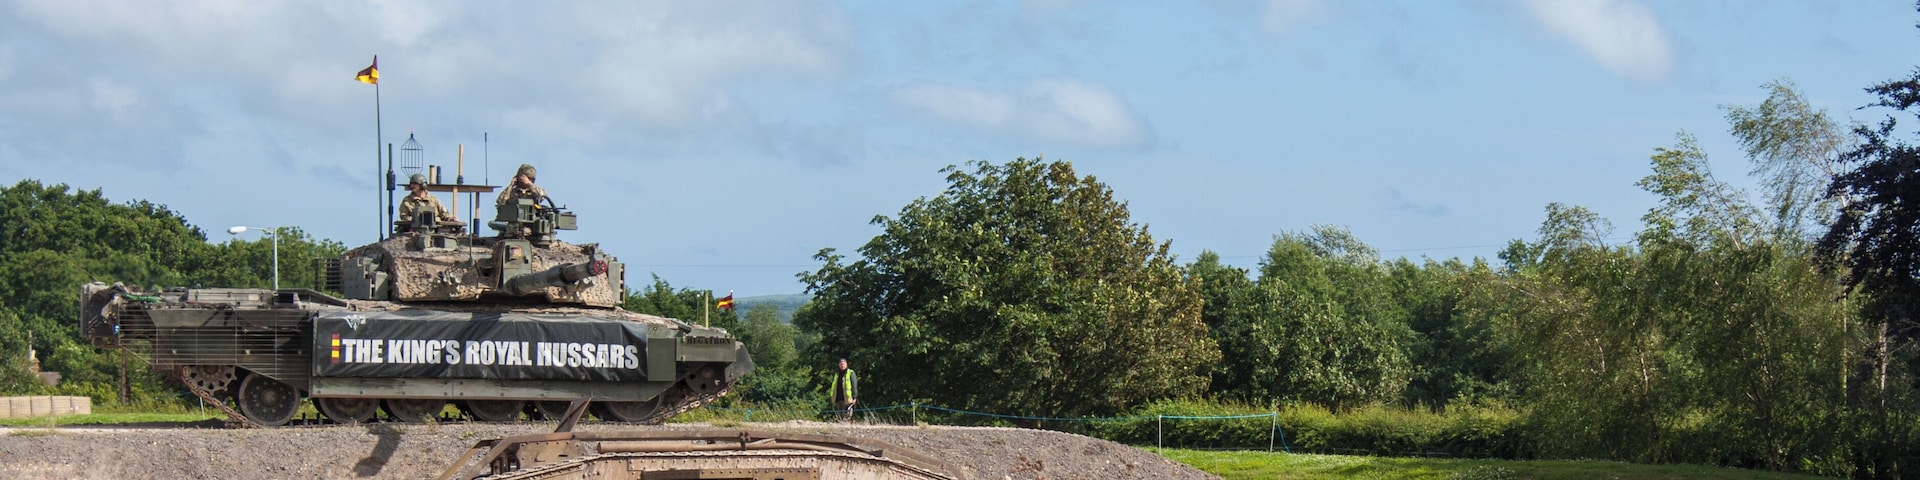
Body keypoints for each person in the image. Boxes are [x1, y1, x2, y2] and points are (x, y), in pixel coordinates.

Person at [830, 357, 858, 422]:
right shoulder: (837, 374)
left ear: (846, 364)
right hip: (838, 398)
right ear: (839, 365)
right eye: (841, 364)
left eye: (843, 364)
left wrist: (854, 397)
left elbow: (854, 385)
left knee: (847, 415)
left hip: (847, 398)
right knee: (839, 416)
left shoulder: (851, 373)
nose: (842, 365)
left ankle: (846, 426)